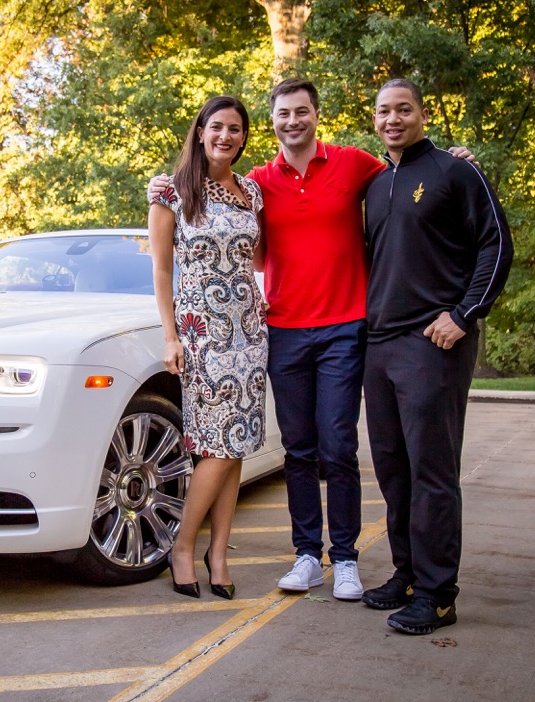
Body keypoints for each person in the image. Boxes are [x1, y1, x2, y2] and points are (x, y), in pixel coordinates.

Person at [149, 79, 477, 602]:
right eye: (283, 113)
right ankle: (306, 555)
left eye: (302, 112)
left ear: (316, 116)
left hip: (345, 328)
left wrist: (453, 159)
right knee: (297, 450)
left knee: (338, 447)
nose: (293, 121)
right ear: (273, 121)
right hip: (279, 330)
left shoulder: (352, 164)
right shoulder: (255, 183)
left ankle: (344, 558)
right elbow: (220, 249)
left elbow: (409, 168)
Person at [361, 78, 513, 634]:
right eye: (384, 111)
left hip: (433, 343)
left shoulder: (455, 170)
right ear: (374, 119)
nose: (393, 118)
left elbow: (496, 243)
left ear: (422, 115)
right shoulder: (377, 186)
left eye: (404, 109)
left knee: (432, 472)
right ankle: (406, 573)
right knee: (392, 471)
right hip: (379, 347)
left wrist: (464, 313)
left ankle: (438, 594)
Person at [149, 95, 267, 600]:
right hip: (203, 332)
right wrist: (171, 336)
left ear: (244, 137)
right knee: (216, 447)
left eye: (235, 129)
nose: (225, 136)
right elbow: (160, 270)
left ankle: (218, 555)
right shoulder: (171, 192)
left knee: (235, 445)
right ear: (199, 132)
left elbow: (257, 263)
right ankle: (182, 546)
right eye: (216, 126)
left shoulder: (252, 193)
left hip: (250, 331)